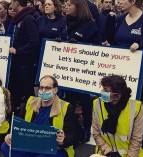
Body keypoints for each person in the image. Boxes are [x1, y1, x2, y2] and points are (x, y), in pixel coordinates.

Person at [108, 0, 143, 152]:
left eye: (121, 0)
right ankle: (120, 139)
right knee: (120, 104)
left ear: (133, 1)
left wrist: (142, 46)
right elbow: (113, 41)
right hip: (121, 72)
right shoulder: (120, 19)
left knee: (141, 106)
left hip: (142, 73)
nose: (118, 2)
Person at [1, 75, 76, 157]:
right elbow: (19, 125)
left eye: (47, 88)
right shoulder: (30, 102)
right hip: (31, 144)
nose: (43, 91)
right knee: (5, 147)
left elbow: (72, 136)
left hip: (53, 148)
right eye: (41, 87)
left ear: (55, 90)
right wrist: (11, 135)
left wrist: (62, 140)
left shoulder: (66, 107)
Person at [63, 0, 101, 143]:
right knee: (69, 100)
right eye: (65, 4)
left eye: (70, 5)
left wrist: (81, 44)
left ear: (78, 8)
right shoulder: (64, 22)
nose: (66, 7)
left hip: (82, 69)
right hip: (66, 68)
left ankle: (86, 129)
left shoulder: (90, 24)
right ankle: (72, 128)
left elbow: (96, 46)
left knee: (84, 100)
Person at [92, 75, 143, 157]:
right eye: (103, 89)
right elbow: (96, 134)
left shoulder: (136, 107)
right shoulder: (97, 103)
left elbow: (136, 140)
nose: (102, 92)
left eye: (106, 91)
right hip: (105, 152)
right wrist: (107, 151)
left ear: (117, 96)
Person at [8, 0, 39, 114]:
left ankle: (30, 116)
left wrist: (18, 51)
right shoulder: (18, 19)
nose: (11, 4)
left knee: (27, 91)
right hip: (17, 63)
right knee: (16, 90)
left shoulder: (28, 19)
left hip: (26, 64)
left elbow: (34, 41)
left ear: (16, 3)